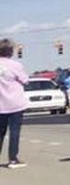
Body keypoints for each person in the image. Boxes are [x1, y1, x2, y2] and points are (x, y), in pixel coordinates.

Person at [0, 38, 30, 168]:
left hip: (1, 104)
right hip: (15, 104)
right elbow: (25, 80)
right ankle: (13, 159)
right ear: (11, 51)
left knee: (0, 132)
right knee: (14, 131)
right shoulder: (15, 65)